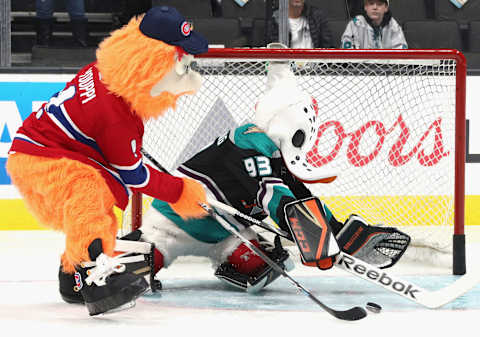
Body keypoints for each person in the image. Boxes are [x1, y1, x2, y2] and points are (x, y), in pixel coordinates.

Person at [118, 53, 410, 293]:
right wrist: (311, 238)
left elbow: (299, 198)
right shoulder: (248, 141)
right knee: (136, 266)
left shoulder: (276, 152)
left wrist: (338, 232)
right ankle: (105, 262)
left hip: (226, 232)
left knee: (269, 264)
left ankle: (226, 260)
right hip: (176, 223)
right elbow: (273, 193)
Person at [7, 6, 210, 316]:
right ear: (152, 61)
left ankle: (72, 277)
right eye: (181, 62)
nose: (187, 67)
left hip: (48, 150)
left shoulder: (105, 72)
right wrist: (180, 192)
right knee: (88, 194)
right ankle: (92, 277)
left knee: (102, 207)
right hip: (39, 157)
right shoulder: (116, 116)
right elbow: (137, 178)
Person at [341, 0, 408, 49]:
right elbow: (347, 50)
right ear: (365, 7)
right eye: (371, 3)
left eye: (379, 4)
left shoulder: (393, 25)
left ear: (386, 8)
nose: (375, 7)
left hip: (387, 66)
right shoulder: (355, 24)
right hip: (359, 66)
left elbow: (401, 50)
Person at [267, 0, 334, 48]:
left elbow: (327, 47)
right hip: (285, 66)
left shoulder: (317, 16)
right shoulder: (274, 20)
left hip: (313, 66)